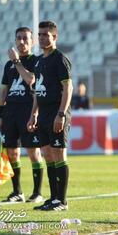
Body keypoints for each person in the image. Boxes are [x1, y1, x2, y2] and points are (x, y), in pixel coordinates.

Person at [27, 20, 73, 211]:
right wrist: (33, 114)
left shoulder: (60, 59)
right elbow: (38, 90)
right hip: (43, 115)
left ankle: (61, 201)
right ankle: (53, 198)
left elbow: (67, 87)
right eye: (40, 34)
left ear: (55, 37)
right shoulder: (38, 61)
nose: (42, 37)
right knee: (47, 155)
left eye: (46, 34)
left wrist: (61, 114)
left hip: (57, 113)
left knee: (59, 154)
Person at [0, 27, 44, 203]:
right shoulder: (8, 65)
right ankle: (17, 192)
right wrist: (0, 114)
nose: (22, 42)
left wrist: (17, 61)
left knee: (33, 152)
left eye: (25, 38)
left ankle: (37, 192)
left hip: (28, 109)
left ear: (32, 42)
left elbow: (31, 80)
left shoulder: (37, 61)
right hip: (11, 112)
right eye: (19, 38)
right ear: (15, 41)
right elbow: (4, 90)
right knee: (12, 152)